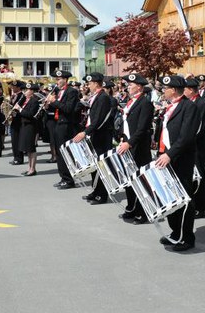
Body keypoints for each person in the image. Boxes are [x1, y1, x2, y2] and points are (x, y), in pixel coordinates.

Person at [154, 75, 197, 252]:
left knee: (184, 198)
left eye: (165, 88)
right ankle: (175, 232)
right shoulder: (171, 106)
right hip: (167, 156)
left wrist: (169, 155)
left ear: (173, 89)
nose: (163, 91)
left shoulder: (189, 107)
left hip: (180, 159)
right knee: (170, 197)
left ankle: (187, 237)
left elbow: (186, 136)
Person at [116, 73, 154, 223]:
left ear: (139, 86)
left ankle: (142, 212)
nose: (128, 87)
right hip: (128, 144)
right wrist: (122, 138)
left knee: (139, 180)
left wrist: (129, 143)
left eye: (131, 85)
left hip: (138, 147)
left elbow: (142, 129)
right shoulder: (132, 101)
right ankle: (131, 207)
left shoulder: (145, 103)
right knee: (129, 179)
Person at [72, 72, 113, 201]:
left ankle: (102, 194)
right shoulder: (96, 96)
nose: (88, 85)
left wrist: (85, 132)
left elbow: (98, 120)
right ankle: (96, 191)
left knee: (101, 166)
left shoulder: (103, 97)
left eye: (89, 83)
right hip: (94, 135)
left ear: (96, 83)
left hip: (101, 137)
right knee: (94, 166)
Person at [183, 77, 205, 219]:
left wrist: (189, 138)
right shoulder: (189, 102)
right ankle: (192, 203)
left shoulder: (201, 104)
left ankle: (200, 207)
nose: (183, 92)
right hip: (189, 145)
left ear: (192, 90)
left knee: (199, 175)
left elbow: (200, 126)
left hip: (197, 145)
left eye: (185, 89)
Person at [47, 70, 79, 188]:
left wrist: (54, 102)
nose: (57, 81)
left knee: (64, 153)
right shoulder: (58, 92)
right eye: (56, 79)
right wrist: (48, 105)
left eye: (59, 79)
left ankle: (69, 179)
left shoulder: (72, 92)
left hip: (66, 125)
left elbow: (68, 109)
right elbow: (55, 108)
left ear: (65, 80)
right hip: (57, 123)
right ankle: (63, 177)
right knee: (59, 152)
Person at [17, 83, 41, 176]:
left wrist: (20, 110)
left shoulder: (34, 101)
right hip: (24, 125)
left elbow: (30, 114)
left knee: (31, 148)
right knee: (27, 148)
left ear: (32, 91)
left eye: (27, 90)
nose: (24, 92)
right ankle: (29, 167)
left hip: (30, 126)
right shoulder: (26, 100)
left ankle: (33, 169)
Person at [8, 80, 25, 165]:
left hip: (18, 120)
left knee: (17, 140)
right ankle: (15, 157)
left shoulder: (21, 96)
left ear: (18, 87)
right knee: (14, 140)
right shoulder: (13, 95)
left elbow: (18, 108)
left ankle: (19, 158)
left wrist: (12, 110)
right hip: (13, 120)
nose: (12, 88)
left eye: (13, 87)